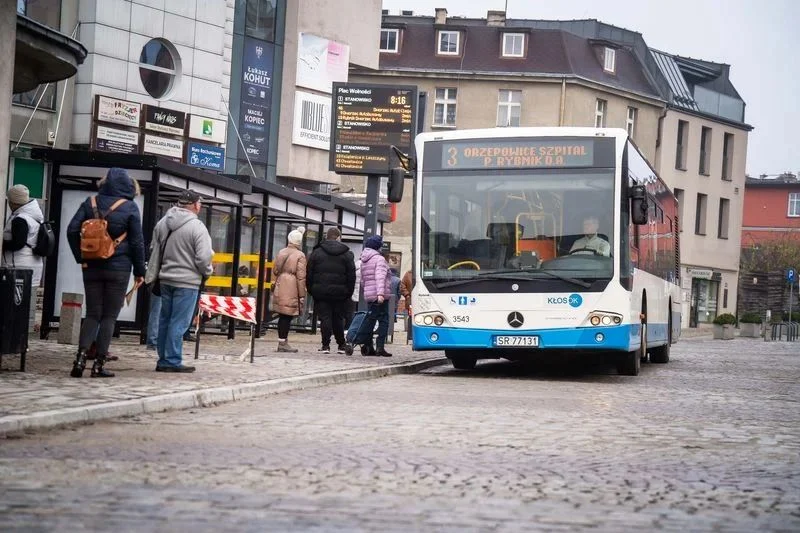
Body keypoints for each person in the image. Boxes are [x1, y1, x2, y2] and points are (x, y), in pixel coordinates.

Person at [66, 168, 146, 378]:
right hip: (119, 269)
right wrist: (140, 271)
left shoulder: (90, 203)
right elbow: (137, 242)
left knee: (93, 314)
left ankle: (80, 359)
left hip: (91, 266)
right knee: (109, 316)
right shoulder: (130, 207)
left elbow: (72, 230)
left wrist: (81, 257)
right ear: (129, 187)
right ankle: (98, 365)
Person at [145, 190, 213, 373]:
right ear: (195, 205)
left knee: (165, 319)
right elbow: (204, 257)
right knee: (179, 322)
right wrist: (207, 273)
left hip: (165, 279)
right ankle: (172, 360)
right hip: (187, 282)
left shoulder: (163, 223)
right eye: (200, 203)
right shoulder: (197, 227)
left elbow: (154, 248)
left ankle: (163, 358)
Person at [306, 227, 355, 354]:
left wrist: (312, 290)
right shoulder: (347, 253)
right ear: (338, 237)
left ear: (326, 237)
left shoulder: (316, 253)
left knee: (325, 318)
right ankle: (341, 344)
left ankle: (325, 345)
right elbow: (351, 276)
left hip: (321, 292)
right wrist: (348, 292)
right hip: (341, 293)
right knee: (338, 318)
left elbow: (309, 273)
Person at [2, 184, 44, 332]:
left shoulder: (21, 219)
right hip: (33, 266)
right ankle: (23, 332)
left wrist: (2, 244)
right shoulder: (34, 216)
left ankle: (15, 334)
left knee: (15, 303)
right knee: (27, 304)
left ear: (12, 202)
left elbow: (18, 243)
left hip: (18, 267)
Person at [271, 227, 307, 352]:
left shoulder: (281, 252)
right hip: (292, 287)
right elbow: (301, 277)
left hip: (280, 284)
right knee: (287, 316)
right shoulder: (300, 255)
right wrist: (302, 294)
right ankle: (283, 343)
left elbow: (275, 270)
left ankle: (282, 341)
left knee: (282, 315)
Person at [359, 234, 392, 357]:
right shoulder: (379, 259)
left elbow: (362, 280)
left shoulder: (364, 259)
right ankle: (380, 347)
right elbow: (380, 277)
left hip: (369, 295)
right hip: (379, 295)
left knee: (370, 321)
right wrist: (380, 294)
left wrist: (367, 292)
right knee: (383, 320)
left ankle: (368, 346)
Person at [344, 258, 361, 331]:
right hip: (362, 296)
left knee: (350, 312)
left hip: (352, 294)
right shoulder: (365, 268)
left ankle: (348, 328)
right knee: (360, 313)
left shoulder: (353, 267)